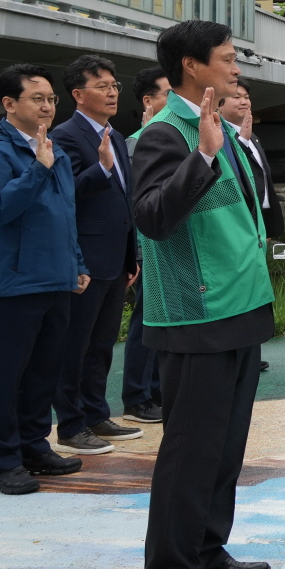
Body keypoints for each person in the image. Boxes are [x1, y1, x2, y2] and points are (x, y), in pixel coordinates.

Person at [133, 20, 275, 569]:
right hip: (196, 313)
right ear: (191, 65)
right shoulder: (165, 134)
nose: (237, 66)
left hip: (240, 308)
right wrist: (203, 157)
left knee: (224, 447)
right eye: (227, 56)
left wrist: (219, 144)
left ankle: (209, 549)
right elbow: (152, 217)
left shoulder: (217, 126)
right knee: (191, 448)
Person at [0, 65, 91, 495]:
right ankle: (1, 462)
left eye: (51, 99)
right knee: (6, 375)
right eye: (37, 98)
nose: (47, 106)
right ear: (9, 104)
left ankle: (34, 447)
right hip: (15, 282)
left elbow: (64, 213)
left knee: (43, 372)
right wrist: (38, 168)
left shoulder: (49, 147)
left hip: (56, 277)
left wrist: (77, 260)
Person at [49, 55, 142, 455]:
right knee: (76, 344)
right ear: (77, 94)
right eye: (102, 86)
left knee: (102, 342)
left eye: (114, 86)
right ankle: (70, 425)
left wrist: (132, 252)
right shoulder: (65, 136)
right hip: (85, 258)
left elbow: (126, 199)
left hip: (115, 255)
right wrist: (101, 169)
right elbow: (64, 192)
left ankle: (95, 413)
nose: (111, 92)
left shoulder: (116, 136)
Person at [118, 66, 170, 424]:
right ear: (148, 101)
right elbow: (136, 204)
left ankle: (154, 390)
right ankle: (136, 397)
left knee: (160, 319)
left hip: (164, 245)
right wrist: (134, 254)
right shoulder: (137, 143)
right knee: (144, 321)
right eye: (168, 93)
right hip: (145, 247)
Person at [218, 83, 283, 240]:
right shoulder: (219, 136)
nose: (244, 101)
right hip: (241, 216)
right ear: (219, 106)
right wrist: (243, 142)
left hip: (263, 212)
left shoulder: (252, 136)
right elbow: (230, 170)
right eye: (236, 97)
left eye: (246, 97)